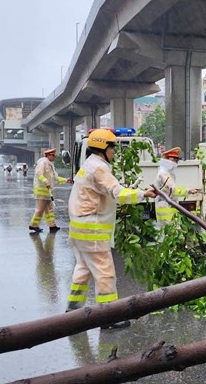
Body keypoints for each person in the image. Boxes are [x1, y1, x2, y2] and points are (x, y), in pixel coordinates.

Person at [65, 129, 157, 330]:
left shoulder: (88, 166)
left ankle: (73, 311)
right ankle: (108, 317)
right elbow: (119, 194)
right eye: (112, 148)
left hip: (80, 229)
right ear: (103, 149)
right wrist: (145, 194)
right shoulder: (99, 169)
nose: (114, 152)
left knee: (83, 269)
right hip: (92, 230)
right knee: (105, 274)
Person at [155, 147, 199, 228]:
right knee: (170, 232)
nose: (175, 163)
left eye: (176, 160)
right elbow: (172, 189)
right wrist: (188, 190)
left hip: (169, 205)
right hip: (165, 206)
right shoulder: (163, 174)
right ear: (166, 159)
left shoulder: (167, 172)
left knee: (172, 231)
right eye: (173, 160)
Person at [29, 149, 69, 233]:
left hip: (47, 191)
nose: (54, 157)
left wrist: (66, 180)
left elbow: (56, 177)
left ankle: (52, 225)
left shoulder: (50, 165)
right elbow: (39, 174)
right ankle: (33, 225)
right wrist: (46, 182)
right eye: (53, 155)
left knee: (49, 209)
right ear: (49, 155)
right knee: (40, 209)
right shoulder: (42, 163)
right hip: (41, 190)